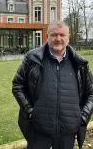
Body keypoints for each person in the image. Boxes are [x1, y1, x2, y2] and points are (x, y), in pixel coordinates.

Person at [12, 21, 93, 149]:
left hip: (67, 134)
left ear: (68, 36)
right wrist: (30, 111)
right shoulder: (32, 59)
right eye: (54, 35)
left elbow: (91, 93)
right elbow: (18, 85)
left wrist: (82, 117)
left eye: (62, 35)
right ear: (47, 36)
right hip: (39, 132)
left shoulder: (79, 64)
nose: (58, 39)